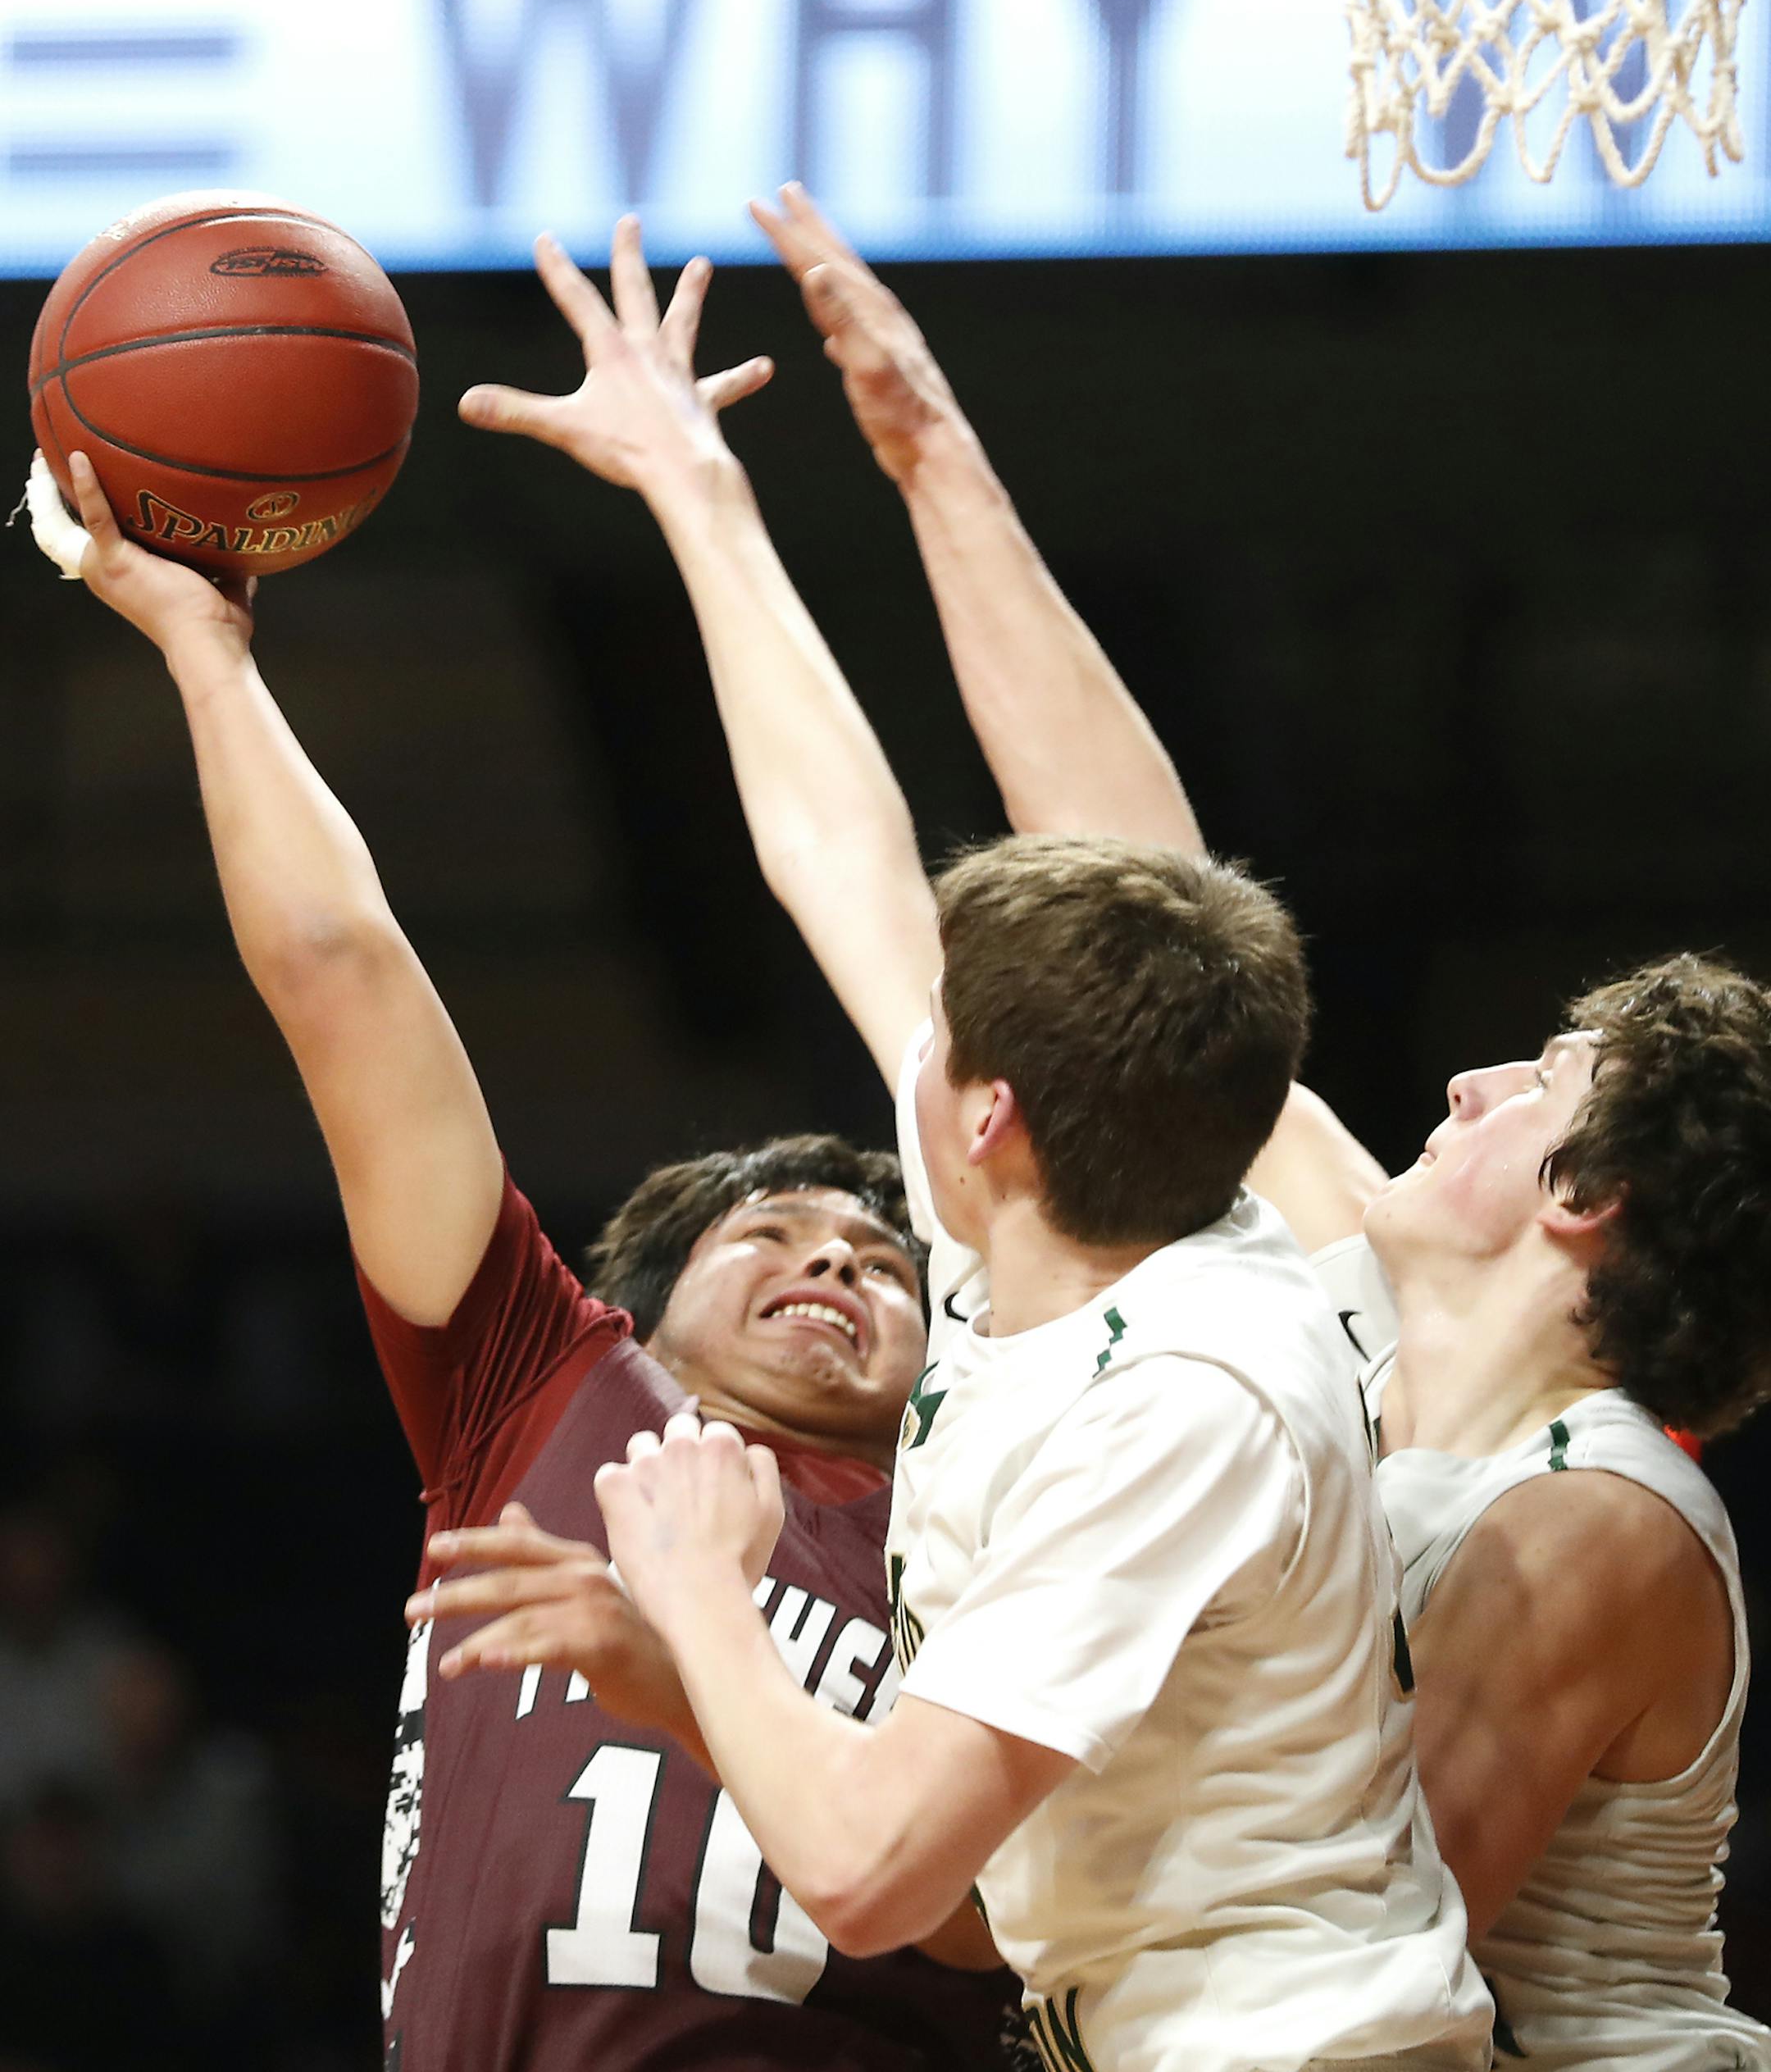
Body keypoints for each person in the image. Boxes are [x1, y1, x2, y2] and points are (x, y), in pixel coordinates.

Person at [435, 192, 1770, 2069]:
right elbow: (1113, 883)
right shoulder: (1286, 1279)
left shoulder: (1583, 1519)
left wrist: (726, 1641)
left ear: (1586, 1200)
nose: (1468, 1081)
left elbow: (1362, 1937)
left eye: (1539, 1077)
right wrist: (910, 467)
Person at [45, 327, 1031, 2064]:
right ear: (639, 1306)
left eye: (886, 1258)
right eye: (778, 1230)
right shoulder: (543, 1386)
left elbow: (1014, 1921)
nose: (838, 1257)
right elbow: (344, 973)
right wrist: (208, 657)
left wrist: (708, 1683)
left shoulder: (1006, 1509)